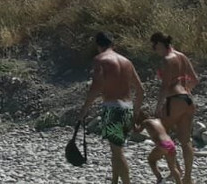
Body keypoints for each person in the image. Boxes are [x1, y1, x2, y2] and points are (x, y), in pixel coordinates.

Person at [78, 32, 144, 184]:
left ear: (99, 46)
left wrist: (84, 110)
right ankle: (114, 181)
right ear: (113, 45)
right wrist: (135, 114)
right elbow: (140, 90)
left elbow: (95, 88)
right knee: (116, 149)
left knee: (117, 151)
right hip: (127, 107)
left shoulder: (100, 60)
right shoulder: (127, 61)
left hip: (112, 107)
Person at [152, 32, 198, 184]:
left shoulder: (167, 59)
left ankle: (175, 171)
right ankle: (188, 178)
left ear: (159, 44)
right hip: (188, 100)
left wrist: (158, 107)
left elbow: (165, 86)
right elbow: (195, 79)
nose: (154, 49)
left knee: (162, 136)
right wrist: (186, 90)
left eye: (155, 46)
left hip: (174, 100)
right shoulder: (182, 56)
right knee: (186, 141)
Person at [135, 112, 184, 184]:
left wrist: (133, 122)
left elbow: (137, 130)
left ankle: (159, 179)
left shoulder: (145, 122)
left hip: (162, 144)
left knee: (151, 160)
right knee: (173, 167)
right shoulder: (158, 120)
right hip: (170, 143)